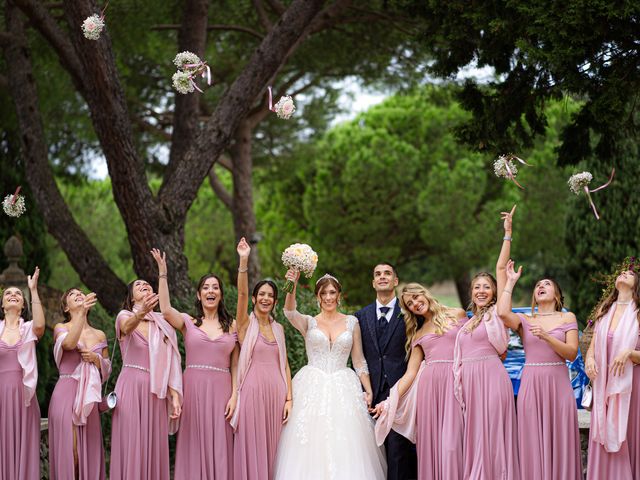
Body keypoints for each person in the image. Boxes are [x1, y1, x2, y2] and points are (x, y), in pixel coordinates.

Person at [274, 270, 386, 479]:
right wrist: (292, 284)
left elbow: (359, 360)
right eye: (323, 293)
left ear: (339, 295)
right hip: (312, 385)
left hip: (344, 385)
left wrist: (368, 389)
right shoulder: (309, 322)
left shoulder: (352, 322)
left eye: (332, 292)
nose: (328, 297)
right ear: (317, 296)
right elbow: (289, 311)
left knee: (346, 442)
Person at [496, 215, 582, 479]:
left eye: (547, 284)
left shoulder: (567, 317)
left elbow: (571, 353)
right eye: (537, 286)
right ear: (534, 296)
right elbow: (501, 312)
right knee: (532, 438)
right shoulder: (525, 320)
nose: (541, 287)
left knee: (559, 439)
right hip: (531, 382)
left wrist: (546, 337)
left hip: (557, 382)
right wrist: (509, 283)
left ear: (556, 295)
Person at [152, 244, 241, 480]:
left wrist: (234, 395)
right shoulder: (189, 322)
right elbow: (165, 308)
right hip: (192, 388)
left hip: (222, 389)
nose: (210, 291)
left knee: (221, 443)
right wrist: (163, 273)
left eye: (215, 287)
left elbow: (235, 364)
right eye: (205, 287)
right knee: (193, 440)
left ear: (220, 294)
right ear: (198, 294)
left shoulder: (232, 325)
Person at [373, 283, 467, 479]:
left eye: (416, 298)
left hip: (457, 384)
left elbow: (473, 344)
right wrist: (390, 400)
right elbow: (410, 373)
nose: (415, 304)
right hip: (430, 391)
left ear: (425, 294)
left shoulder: (457, 314)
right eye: (409, 304)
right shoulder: (418, 334)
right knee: (435, 443)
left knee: (454, 444)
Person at [452, 207, 520, 479]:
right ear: (471, 292)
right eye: (477, 287)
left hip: (491, 379)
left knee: (492, 434)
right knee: (475, 435)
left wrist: (508, 234)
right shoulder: (468, 322)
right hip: (469, 382)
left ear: (494, 292)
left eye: (486, 287)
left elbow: (501, 268)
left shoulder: (498, 312)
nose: (481, 291)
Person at [109, 279, 183, 480]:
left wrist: (175, 395)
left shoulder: (162, 323)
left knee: (153, 443)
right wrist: (141, 311)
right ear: (132, 297)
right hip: (131, 386)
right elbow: (126, 328)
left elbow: (171, 361)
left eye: (148, 285)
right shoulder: (124, 316)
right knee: (131, 441)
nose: (145, 285)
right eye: (139, 285)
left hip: (156, 391)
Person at [232, 251, 292, 480]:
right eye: (262, 295)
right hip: (252, 394)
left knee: (276, 448)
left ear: (275, 302)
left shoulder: (279, 330)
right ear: (255, 299)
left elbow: (285, 365)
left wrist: (289, 398)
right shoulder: (245, 324)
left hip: (276, 396)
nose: (266, 298)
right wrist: (244, 261)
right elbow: (241, 293)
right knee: (252, 444)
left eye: (270, 296)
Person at [355, 263, 417, 480]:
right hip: (369, 395)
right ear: (373, 283)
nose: (382, 277)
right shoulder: (360, 317)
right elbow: (357, 356)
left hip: (400, 394)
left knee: (398, 454)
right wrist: (363, 389)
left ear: (395, 281)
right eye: (378, 274)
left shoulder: (410, 313)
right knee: (369, 454)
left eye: (387, 274)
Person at [585, 263, 640, 479]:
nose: (624, 273)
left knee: (629, 435)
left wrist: (629, 353)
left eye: (630, 273)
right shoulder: (604, 311)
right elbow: (593, 347)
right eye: (621, 272)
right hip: (603, 385)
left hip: (632, 388)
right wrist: (590, 360)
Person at [49, 288, 111, 479]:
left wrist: (96, 359)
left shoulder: (100, 335)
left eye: (80, 293)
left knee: (88, 452)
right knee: (72, 453)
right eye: (72, 294)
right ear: (66, 307)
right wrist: (81, 315)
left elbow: (107, 369)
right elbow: (68, 344)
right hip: (66, 394)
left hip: (89, 397)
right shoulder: (61, 327)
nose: (77, 293)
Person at [0, 268, 44, 480]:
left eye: (18, 294)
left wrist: (33, 290)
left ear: (23, 305)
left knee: (24, 449)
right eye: (8, 294)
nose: (13, 296)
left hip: (24, 397)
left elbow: (41, 326)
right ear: (2, 305)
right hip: (1, 395)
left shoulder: (27, 328)